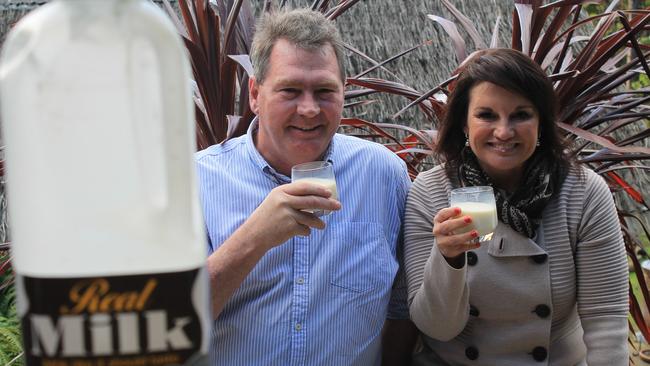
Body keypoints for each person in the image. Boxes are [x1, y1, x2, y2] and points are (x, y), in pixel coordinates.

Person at [195, 9, 417, 366]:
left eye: (324, 91)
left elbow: (403, 306)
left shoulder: (383, 175)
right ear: (255, 93)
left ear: (344, 92)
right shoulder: (199, 181)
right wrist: (254, 237)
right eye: (290, 90)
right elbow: (173, 324)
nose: (310, 109)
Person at [403, 48, 628, 365]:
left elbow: (606, 319)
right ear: (464, 125)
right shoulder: (431, 192)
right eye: (486, 115)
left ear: (542, 124)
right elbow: (436, 328)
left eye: (521, 115)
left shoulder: (583, 192)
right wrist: (448, 259)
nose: (504, 132)